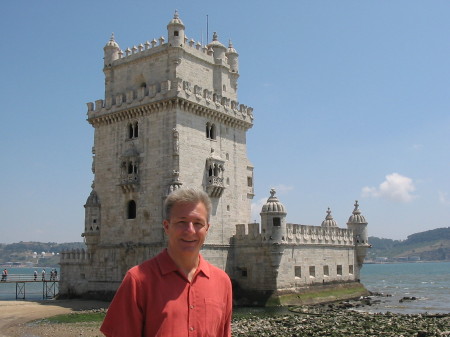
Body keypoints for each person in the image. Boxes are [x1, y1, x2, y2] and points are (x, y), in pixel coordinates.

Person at [101, 188, 232, 337]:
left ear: (207, 229)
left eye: (198, 223)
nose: (190, 230)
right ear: (166, 226)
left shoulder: (222, 282)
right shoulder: (137, 281)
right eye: (181, 222)